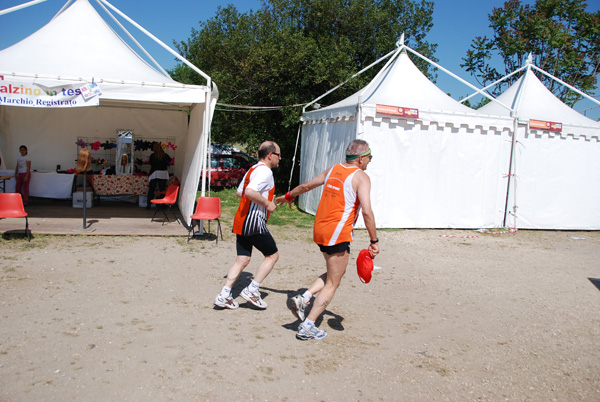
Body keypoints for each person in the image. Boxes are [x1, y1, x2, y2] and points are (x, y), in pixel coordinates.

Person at [275, 139, 380, 340]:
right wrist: (374, 241)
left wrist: (289, 195)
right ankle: (308, 325)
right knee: (334, 282)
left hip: (320, 229)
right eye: (369, 158)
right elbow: (367, 211)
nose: (370, 162)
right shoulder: (361, 177)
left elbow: (306, 186)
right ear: (360, 158)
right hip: (337, 233)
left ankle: (304, 298)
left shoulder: (334, 169)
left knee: (334, 273)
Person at [214, 141, 282, 310]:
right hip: (253, 222)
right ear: (270, 155)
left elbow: (240, 192)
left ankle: (224, 295)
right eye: (278, 155)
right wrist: (266, 203)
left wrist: (257, 200)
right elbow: (250, 192)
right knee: (272, 255)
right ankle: (252, 289)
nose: (280, 158)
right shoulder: (265, 171)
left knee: (242, 259)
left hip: (241, 220)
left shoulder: (252, 169)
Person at [146, 142, 172, 209]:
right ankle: (162, 204)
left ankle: (149, 204)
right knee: (162, 189)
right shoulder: (165, 155)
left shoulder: (152, 155)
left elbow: (151, 163)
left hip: (155, 173)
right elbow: (170, 160)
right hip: (163, 173)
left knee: (152, 189)